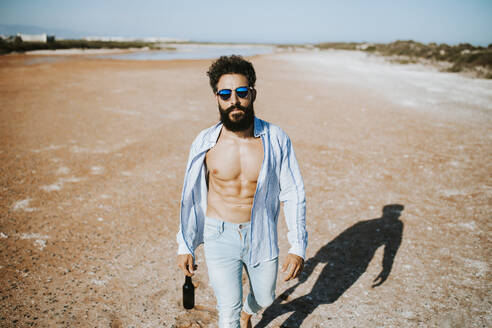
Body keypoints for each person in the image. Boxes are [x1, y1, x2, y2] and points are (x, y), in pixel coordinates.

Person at [176, 55, 307, 328]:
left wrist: (298, 247)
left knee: (265, 297)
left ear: (253, 93)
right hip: (218, 234)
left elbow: (293, 192)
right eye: (225, 94)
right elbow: (189, 197)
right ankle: (238, 316)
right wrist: (185, 244)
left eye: (241, 92)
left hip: (260, 232)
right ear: (217, 98)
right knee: (227, 311)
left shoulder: (276, 138)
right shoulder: (205, 142)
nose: (233, 100)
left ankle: (250, 312)